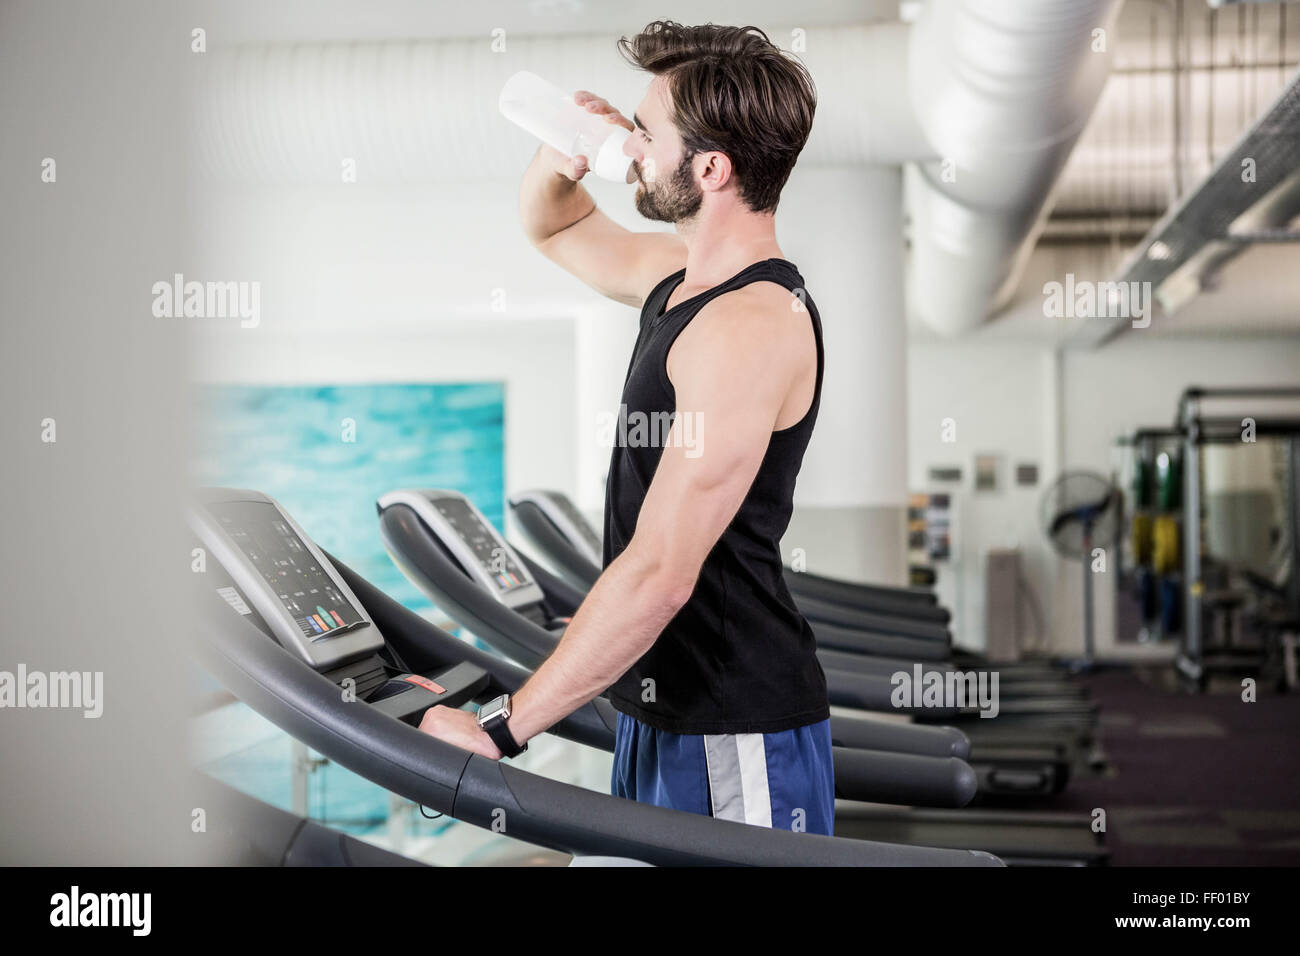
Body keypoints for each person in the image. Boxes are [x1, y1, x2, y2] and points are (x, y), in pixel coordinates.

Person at [418, 20, 833, 835]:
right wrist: (563, 149)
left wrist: (500, 730)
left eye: (648, 135)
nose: (633, 148)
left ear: (710, 169)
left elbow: (661, 573)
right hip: (660, 706)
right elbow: (556, 228)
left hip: (729, 719)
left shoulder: (751, 324)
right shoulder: (679, 278)